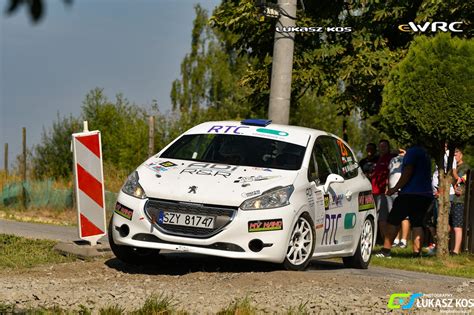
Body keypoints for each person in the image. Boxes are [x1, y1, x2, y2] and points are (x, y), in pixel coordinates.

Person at [376, 143, 433, 258]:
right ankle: (416, 254)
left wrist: (394, 189)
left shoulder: (412, 152)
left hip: (410, 193)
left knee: (393, 220)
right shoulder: (425, 153)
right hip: (425, 194)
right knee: (417, 223)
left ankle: (385, 251)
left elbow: (407, 172)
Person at [371, 140, 396, 240]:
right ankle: (381, 239)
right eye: (381, 146)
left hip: (383, 191)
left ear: (388, 147)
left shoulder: (390, 158)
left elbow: (390, 173)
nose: (382, 148)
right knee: (378, 216)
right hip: (375, 191)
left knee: (383, 217)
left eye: (384, 146)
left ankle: (386, 240)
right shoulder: (379, 158)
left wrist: (387, 186)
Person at [389, 148, 410, 249]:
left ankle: (404, 240)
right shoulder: (393, 159)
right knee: (394, 216)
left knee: (405, 217)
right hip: (392, 190)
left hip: (403, 190)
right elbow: (390, 173)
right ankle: (396, 239)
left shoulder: (408, 159)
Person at [450, 148, 469, 255]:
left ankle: (455, 251)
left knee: (457, 226)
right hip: (449, 199)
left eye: (456, 154)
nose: (455, 157)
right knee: (448, 226)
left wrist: (453, 170)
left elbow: (459, 180)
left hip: (459, 200)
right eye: (453, 155)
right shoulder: (454, 167)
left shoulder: (464, 167)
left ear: (461, 155)